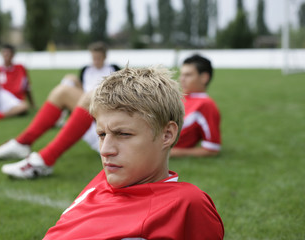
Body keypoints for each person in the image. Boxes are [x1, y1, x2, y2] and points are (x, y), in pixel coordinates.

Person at [43, 66, 224, 239]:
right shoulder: (101, 182)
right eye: (101, 134)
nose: (105, 150)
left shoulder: (185, 203)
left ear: (167, 134)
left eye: (123, 134)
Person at [0, 41, 120, 178]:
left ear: (105, 56)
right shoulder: (87, 70)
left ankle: (44, 158)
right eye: (94, 58)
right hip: (90, 119)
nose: (96, 61)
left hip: (107, 128)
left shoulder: (114, 69)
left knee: (85, 96)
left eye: (99, 58)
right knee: (66, 86)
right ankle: (24, 142)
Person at [170, 54, 221, 157]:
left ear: (204, 78)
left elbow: (212, 148)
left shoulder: (206, 104)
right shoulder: (180, 98)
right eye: (182, 74)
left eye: (188, 75)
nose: (182, 79)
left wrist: (169, 153)